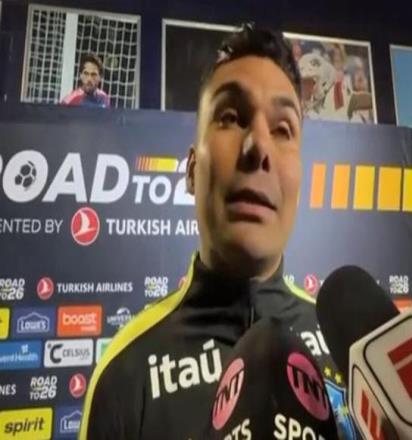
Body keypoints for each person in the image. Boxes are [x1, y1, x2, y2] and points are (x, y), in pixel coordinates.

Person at [79, 24, 355, 440]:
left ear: (300, 179)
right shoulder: (123, 373)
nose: (259, 146)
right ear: (192, 170)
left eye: (283, 129)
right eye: (230, 117)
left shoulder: (350, 351)